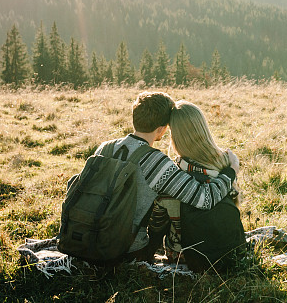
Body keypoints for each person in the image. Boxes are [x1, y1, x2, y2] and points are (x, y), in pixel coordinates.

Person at [98, 91, 239, 259]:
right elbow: (205, 199)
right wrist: (231, 170)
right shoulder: (156, 163)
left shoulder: (105, 147)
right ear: (162, 129)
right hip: (124, 248)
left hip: (86, 237)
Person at [146, 100, 242, 262]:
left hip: (184, 256)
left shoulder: (172, 177)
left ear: (175, 135)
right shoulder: (226, 163)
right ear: (202, 127)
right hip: (226, 248)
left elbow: (157, 224)